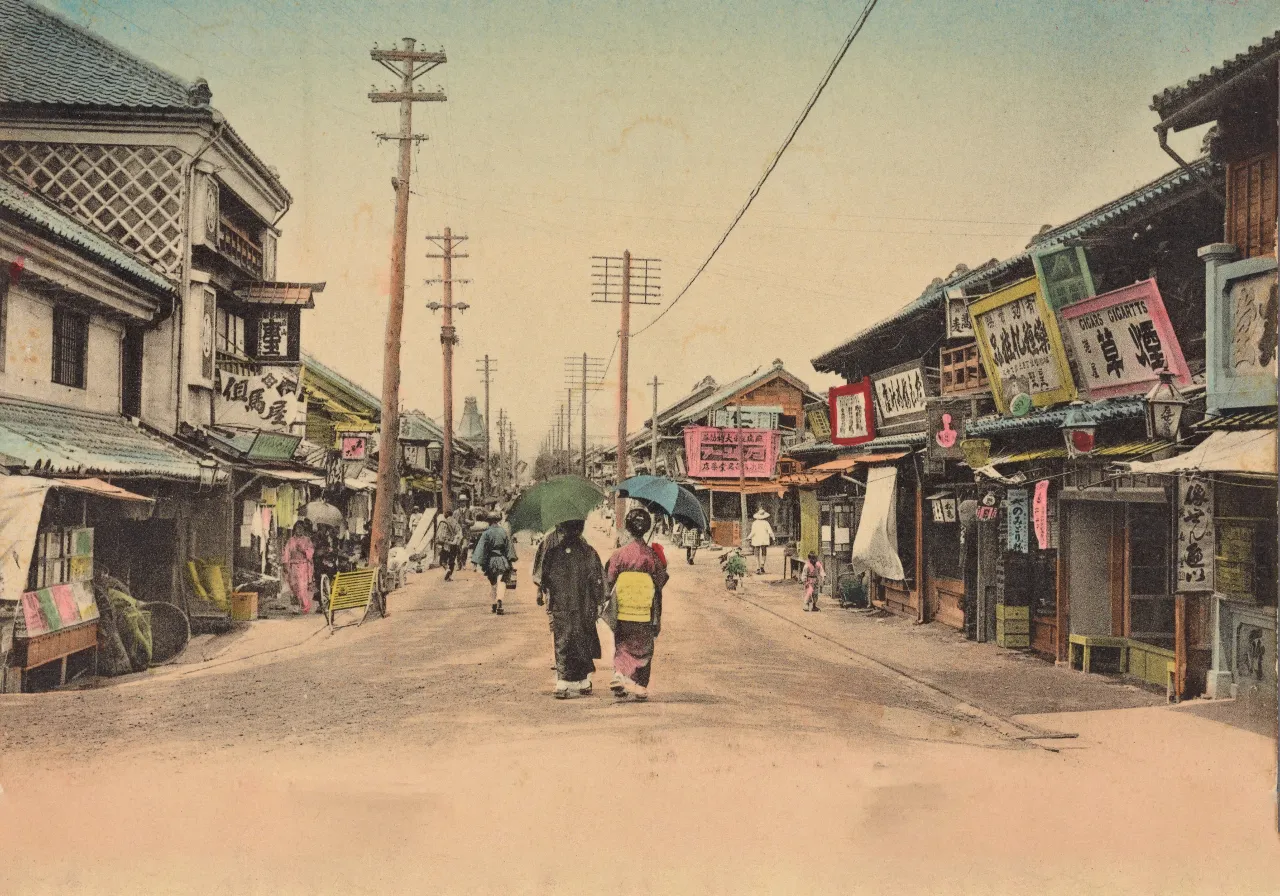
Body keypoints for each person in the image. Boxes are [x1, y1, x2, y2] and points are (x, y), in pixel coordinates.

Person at [605, 507, 669, 701]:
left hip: (624, 607)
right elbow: (660, 580)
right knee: (645, 645)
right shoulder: (651, 555)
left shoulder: (619, 554)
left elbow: (608, 578)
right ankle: (640, 686)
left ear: (628, 528)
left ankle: (620, 673)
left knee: (623, 642)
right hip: (645, 608)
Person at [538, 520, 606, 699]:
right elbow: (597, 580)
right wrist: (599, 601)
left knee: (563, 640)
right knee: (583, 638)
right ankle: (583, 680)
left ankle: (562, 682)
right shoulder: (589, 552)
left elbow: (544, 579)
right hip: (584, 604)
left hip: (561, 604)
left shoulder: (553, 553)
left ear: (561, 528)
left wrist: (545, 594)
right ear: (580, 528)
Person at [472, 511, 517, 614]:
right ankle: (499, 599)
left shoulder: (486, 533)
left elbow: (481, 549)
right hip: (502, 559)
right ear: (497, 520)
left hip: (490, 561)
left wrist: (477, 561)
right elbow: (509, 548)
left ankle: (494, 603)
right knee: (502, 581)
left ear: (489, 521)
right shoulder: (503, 532)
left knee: (493, 582)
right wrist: (510, 560)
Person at [282, 521, 316, 614]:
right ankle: (295, 607)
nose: (299, 530)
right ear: (295, 529)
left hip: (303, 566)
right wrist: (285, 564)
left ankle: (305, 605)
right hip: (293, 565)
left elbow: (311, 551)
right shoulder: (290, 540)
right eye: (297, 528)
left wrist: (303, 551)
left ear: (303, 529)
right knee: (293, 587)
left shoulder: (307, 540)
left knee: (302, 587)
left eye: (301, 528)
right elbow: (286, 553)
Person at [434, 510, 464, 581]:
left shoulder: (443, 522)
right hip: (454, 544)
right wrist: (456, 542)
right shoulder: (455, 522)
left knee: (442, 560)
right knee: (452, 561)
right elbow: (460, 533)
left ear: (447, 514)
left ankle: (447, 569)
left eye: (445, 513)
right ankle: (449, 577)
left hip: (446, 544)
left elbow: (441, 535)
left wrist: (440, 542)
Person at [749, 509, 775, 575]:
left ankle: (758, 567)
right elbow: (770, 531)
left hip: (756, 539)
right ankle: (762, 566)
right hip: (764, 540)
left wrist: (748, 537)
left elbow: (753, 532)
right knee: (764, 552)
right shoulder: (766, 523)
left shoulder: (754, 523)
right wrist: (773, 538)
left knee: (756, 553)